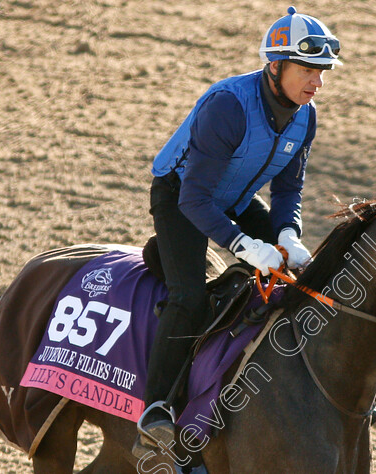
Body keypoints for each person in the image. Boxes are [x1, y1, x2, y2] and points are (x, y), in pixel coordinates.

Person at [133, 6, 342, 456]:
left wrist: (287, 233)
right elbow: (194, 200)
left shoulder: (307, 116)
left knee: (300, 276)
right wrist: (244, 245)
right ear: (275, 66)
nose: (317, 82)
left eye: (323, 72)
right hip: (181, 198)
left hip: (235, 200)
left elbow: (289, 189)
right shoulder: (228, 105)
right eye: (308, 69)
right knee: (188, 296)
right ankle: (153, 412)